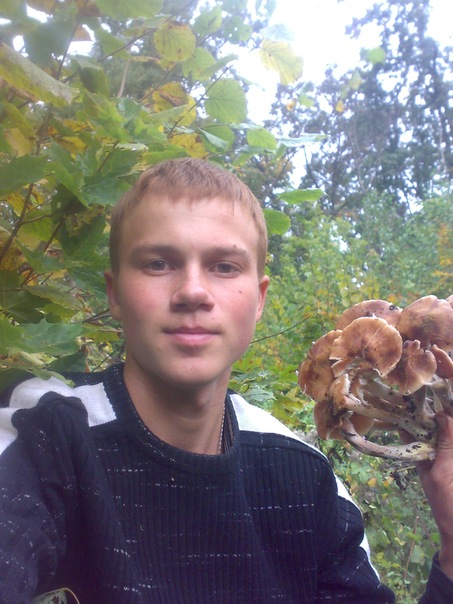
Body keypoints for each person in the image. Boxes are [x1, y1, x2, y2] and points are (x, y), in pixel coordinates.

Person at [0, 158, 452, 603]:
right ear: (114, 293)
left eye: (224, 266)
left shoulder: (303, 479)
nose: (193, 292)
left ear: (259, 300)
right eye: (158, 263)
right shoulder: (45, 439)